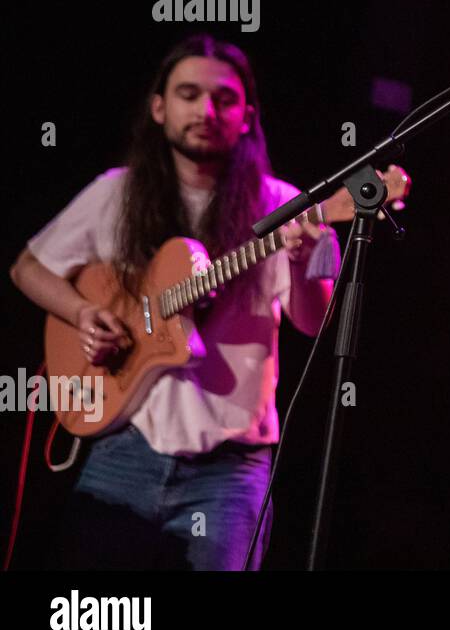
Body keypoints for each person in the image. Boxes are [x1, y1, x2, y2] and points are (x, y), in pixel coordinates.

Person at [9, 34, 340, 570]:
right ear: (159, 108)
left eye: (224, 99)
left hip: (229, 475)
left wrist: (304, 260)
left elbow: (315, 322)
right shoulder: (117, 192)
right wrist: (82, 313)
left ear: (248, 114)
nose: (206, 110)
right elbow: (27, 268)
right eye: (189, 94)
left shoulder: (287, 208)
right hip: (122, 453)